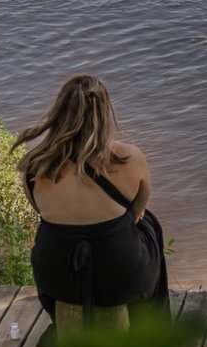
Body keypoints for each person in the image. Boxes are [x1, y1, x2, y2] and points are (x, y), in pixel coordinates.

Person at [15, 75, 169, 324]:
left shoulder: (34, 166)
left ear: (60, 111)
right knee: (149, 224)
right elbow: (137, 212)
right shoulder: (130, 158)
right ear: (105, 112)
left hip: (58, 278)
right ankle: (149, 327)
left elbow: (39, 211)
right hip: (120, 279)